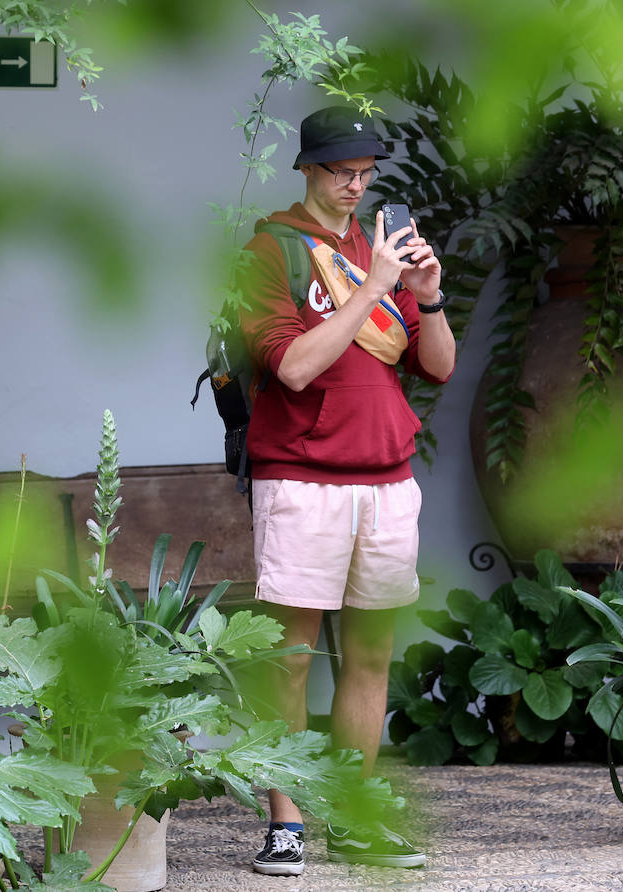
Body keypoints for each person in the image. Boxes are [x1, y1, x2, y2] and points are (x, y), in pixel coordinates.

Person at [237, 106, 456, 876]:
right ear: (307, 168)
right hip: (301, 478)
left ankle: (356, 820)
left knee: (370, 657)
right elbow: (294, 368)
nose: (355, 187)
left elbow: (438, 366)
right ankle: (287, 824)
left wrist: (427, 294)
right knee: (290, 661)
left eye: (366, 174)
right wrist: (373, 289)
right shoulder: (272, 251)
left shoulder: (380, 248)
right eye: (341, 172)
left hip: (388, 479)